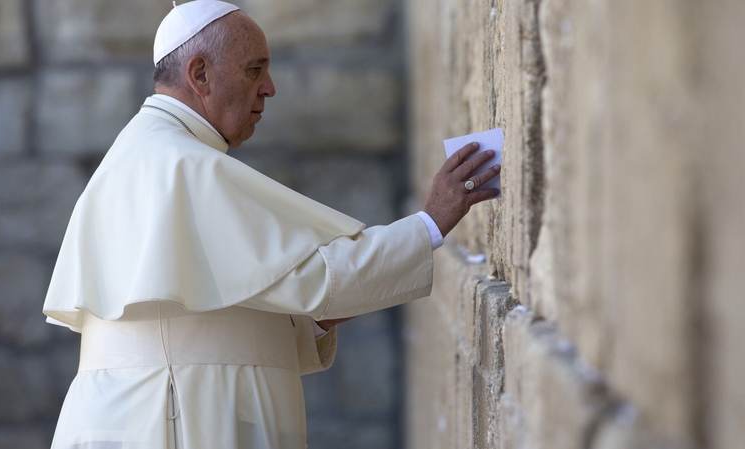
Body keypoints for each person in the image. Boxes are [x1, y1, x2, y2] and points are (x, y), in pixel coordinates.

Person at [43, 1, 501, 448]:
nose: (270, 88)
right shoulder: (181, 164)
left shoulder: (147, 152)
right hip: (174, 419)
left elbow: (273, 295)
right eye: (254, 70)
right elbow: (315, 277)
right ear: (200, 74)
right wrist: (432, 222)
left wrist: (326, 305)